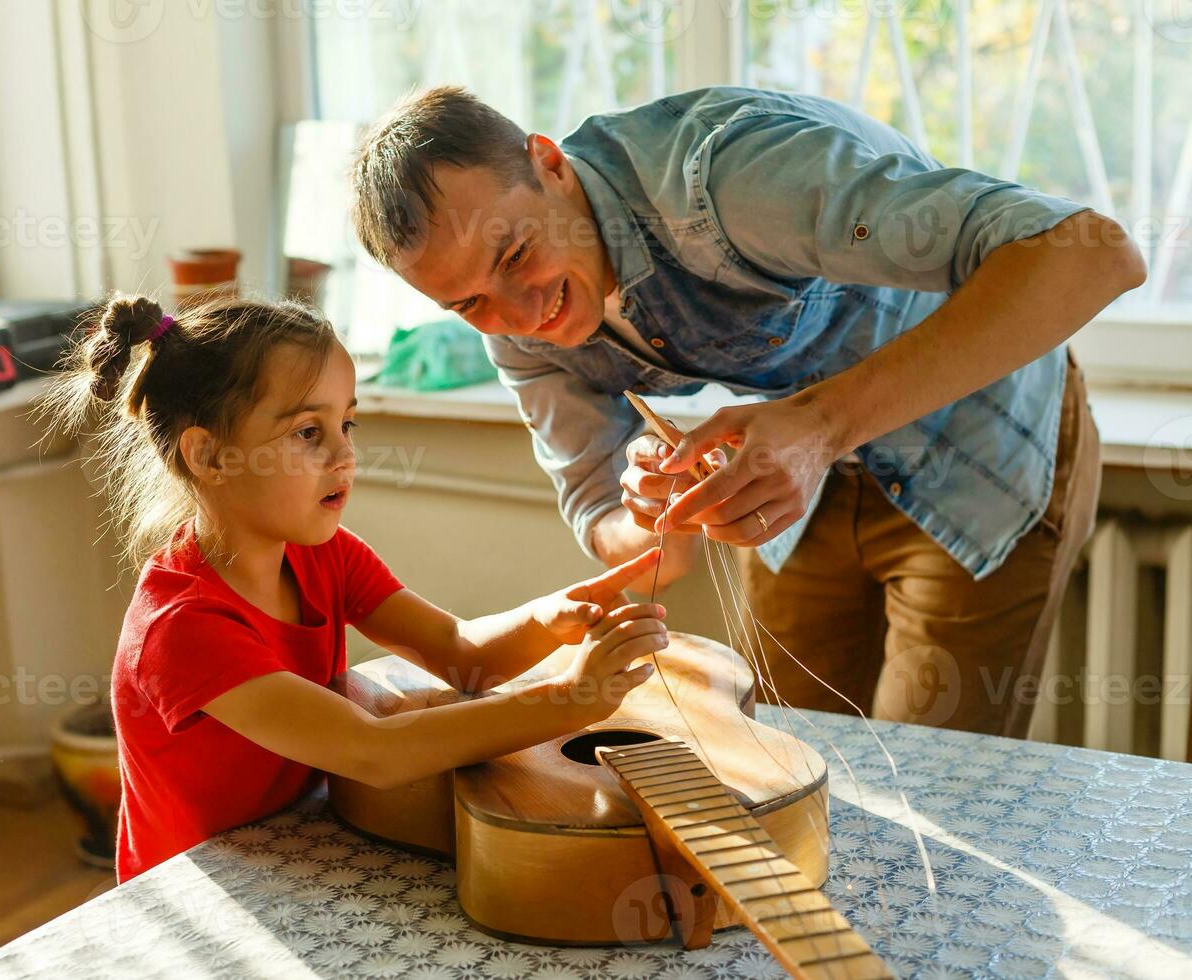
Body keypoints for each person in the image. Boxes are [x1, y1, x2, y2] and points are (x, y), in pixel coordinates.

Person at [350, 85, 1146, 736]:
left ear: (550, 164)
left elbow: (1095, 252)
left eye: (517, 253)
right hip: (813, 477)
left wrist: (817, 428)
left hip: (975, 445)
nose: (522, 316)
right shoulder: (517, 322)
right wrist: (654, 511)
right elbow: (608, 519)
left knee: (939, 784)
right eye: (470, 304)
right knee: (797, 759)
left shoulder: (733, 177)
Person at [40, 293, 669, 882]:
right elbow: (373, 753)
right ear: (209, 456)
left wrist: (552, 617)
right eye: (308, 433)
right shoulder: (181, 626)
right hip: (205, 899)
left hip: (300, 849)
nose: (345, 456)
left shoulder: (326, 557)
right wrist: (571, 700)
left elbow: (458, 651)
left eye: (348, 424)